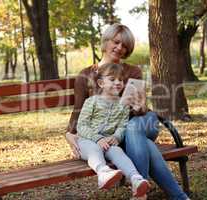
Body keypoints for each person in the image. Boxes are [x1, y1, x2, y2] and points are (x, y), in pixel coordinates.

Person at [66, 23, 190, 200]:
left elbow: (136, 111)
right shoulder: (86, 75)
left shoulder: (133, 71)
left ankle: (139, 192)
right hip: (115, 135)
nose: (119, 48)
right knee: (146, 146)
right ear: (106, 41)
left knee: (133, 127)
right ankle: (174, 196)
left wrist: (138, 103)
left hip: (141, 123)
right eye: (116, 42)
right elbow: (78, 112)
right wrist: (69, 134)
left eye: (125, 46)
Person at [76, 63, 150, 197]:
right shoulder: (91, 102)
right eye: (112, 79)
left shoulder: (123, 106)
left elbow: (122, 125)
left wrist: (116, 136)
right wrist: (97, 139)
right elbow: (81, 126)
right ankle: (103, 173)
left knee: (118, 152)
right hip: (87, 142)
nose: (117, 82)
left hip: (109, 143)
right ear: (100, 83)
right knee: (94, 150)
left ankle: (135, 179)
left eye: (120, 80)